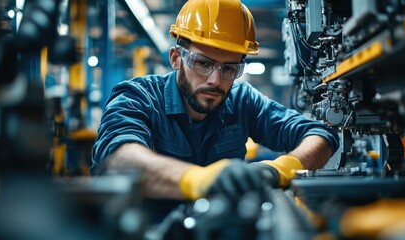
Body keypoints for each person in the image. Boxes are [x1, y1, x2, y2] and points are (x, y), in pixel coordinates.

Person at [91, 0, 339, 220]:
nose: (215, 80)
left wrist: (278, 169)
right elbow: (117, 159)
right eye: (203, 63)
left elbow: (321, 135)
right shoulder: (138, 97)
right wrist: (198, 179)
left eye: (229, 68)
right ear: (176, 58)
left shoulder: (242, 100)